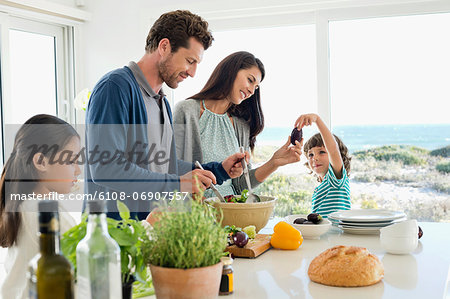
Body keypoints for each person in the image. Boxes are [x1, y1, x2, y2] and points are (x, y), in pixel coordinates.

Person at [85, 10, 247, 220]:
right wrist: (178, 184)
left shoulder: (162, 102)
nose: (192, 72)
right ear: (164, 47)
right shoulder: (115, 87)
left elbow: (165, 166)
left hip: (150, 232)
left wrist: (219, 170)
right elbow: (105, 168)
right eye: (190, 61)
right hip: (116, 238)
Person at [174, 51, 302, 197]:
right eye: (250, 80)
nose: (252, 91)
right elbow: (172, 169)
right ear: (232, 71)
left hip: (232, 212)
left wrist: (274, 162)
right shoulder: (187, 110)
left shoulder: (240, 125)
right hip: (196, 214)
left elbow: (241, 184)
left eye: (256, 87)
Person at [0, 114, 80, 299]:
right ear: (41, 162)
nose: (77, 170)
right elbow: (89, 258)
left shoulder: (23, 205)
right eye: (70, 161)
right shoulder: (42, 213)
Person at [294, 113, 351, 217]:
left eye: (322, 152)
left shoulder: (336, 180)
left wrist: (317, 120)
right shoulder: (322, 186)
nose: (315, 158)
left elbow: (333, 150)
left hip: (336, 233)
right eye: (311, 154)